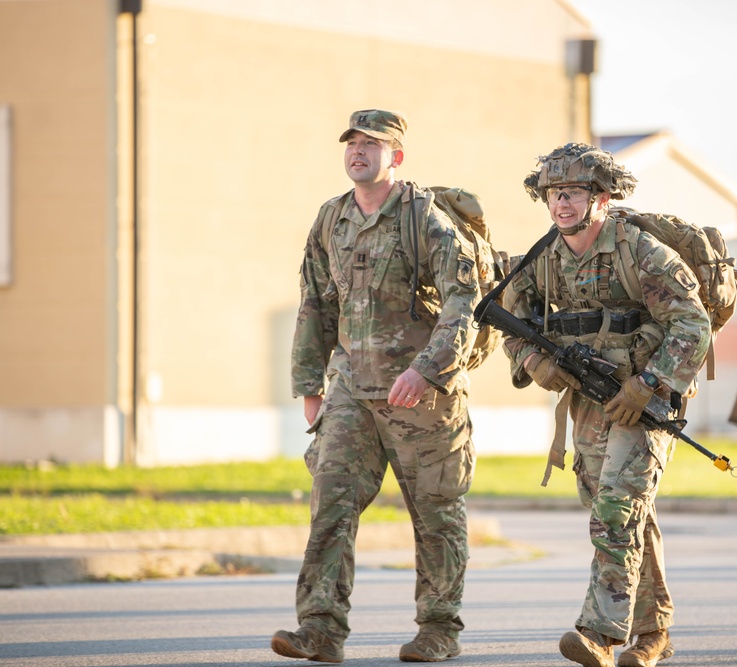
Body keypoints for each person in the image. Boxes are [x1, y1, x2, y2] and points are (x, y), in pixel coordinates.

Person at [272, 109, 480, 664]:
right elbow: (315, 301)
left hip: (422, 395)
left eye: (372, 143)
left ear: (398, 156)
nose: (358, 151)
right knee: (330, 506)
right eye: (352, 142)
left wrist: (428, 368)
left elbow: (465, 304)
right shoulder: (331, 218)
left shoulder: (427, 219)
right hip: (350, 392)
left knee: (435, 513)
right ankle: (319, 629)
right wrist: (309, 383)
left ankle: (438, 629)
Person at [501, 143, 712, 667]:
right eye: (552, 194)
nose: (560, 204)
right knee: (619, 510)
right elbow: (509, 320)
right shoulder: (542, 258)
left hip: (646, 400)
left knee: (618, 505)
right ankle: (653, 632)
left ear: (603, 198)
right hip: (589, 399)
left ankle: (600, 632)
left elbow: (693, 324)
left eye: (572, 193)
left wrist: (649, 382)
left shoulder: (640, 252)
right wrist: (532, 361)